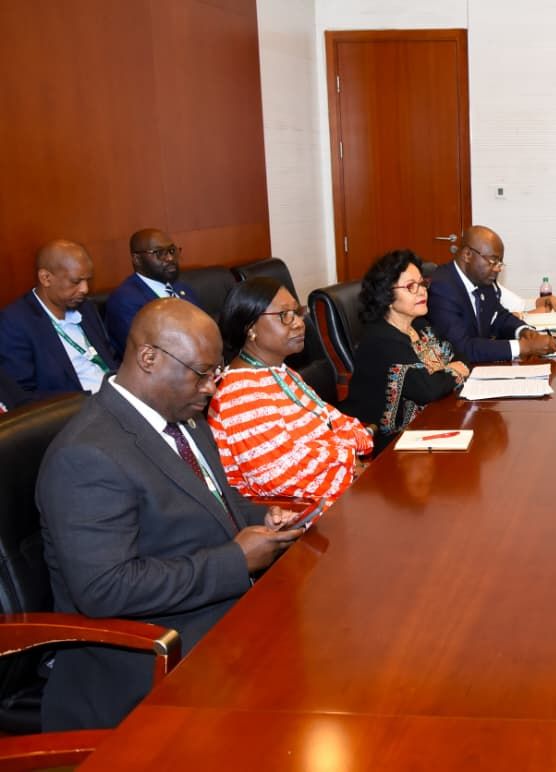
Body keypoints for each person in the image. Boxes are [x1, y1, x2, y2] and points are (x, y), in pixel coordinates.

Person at [36, 299, 301, 730]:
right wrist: (236, 561)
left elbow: (212, 499)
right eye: (202, 373)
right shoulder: (86, 455)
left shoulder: (182, 415)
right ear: (149, 358)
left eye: (216, 373)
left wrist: (263, 516)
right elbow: (105, 589)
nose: (211, 388)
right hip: (148, 649)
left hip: (215, 613)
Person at [208, 278, 373, 500]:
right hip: (307, 510)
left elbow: (334, 421)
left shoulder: (280, 372)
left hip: (340, 486)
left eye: (296, 312)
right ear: (251, 327)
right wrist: (349, 461)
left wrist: (350, 453)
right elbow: (281, 477)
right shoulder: (240, 395)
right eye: (284, 315)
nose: (299, 323)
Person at [345, 249, 471, 453]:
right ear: (387, 295)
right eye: (411, 286)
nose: (422, 291)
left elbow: (461, 356)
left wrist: (445, 372)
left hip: (426, 425)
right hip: (386, 443)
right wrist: (453, 370)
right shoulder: (382, 340)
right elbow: (428, 390)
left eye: (422, 283)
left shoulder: (419, 326)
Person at [0, 239, 117, 401]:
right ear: (46, 278)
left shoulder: (86, 307)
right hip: (77, 409)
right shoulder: (14, 323)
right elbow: (23, 395)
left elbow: (110, 358)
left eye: (87, 280)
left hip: (116, 396)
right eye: (76, 281)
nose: (85, 289)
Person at [427, 226, 556, 362]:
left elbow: (499, 317)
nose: (498, 269)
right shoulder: (442, 287)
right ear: (467, 254)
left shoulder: (482, 282)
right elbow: (462, 348)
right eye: (493, 261)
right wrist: (522, 347)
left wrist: (524, 331)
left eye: (500, 262)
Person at [104, 228, 198, 354]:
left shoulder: (182, 288)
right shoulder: (123, 300)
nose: (170, 258)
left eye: (172, 250)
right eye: (159, 253)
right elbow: (144, 352)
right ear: (137, 259)